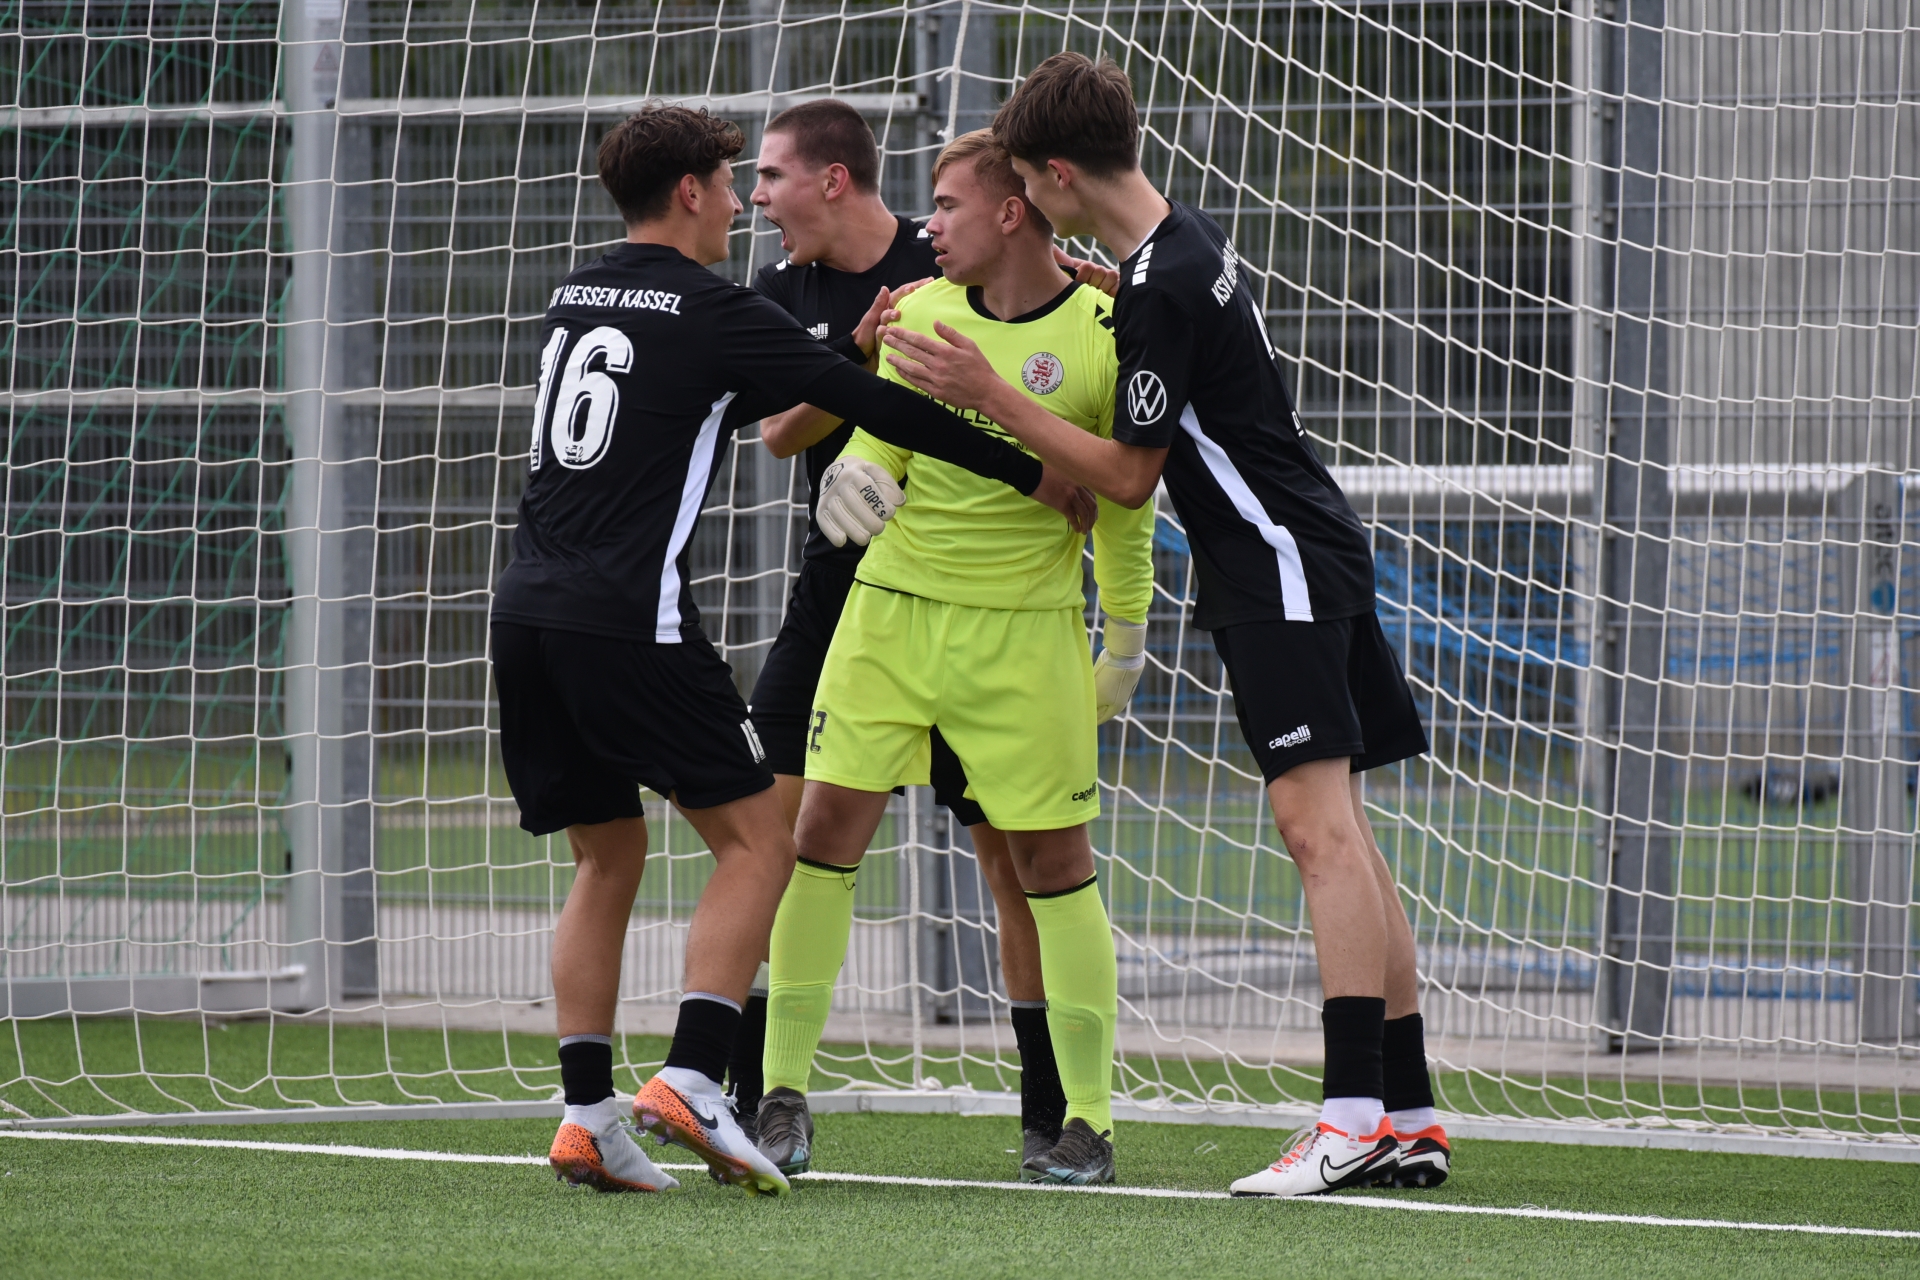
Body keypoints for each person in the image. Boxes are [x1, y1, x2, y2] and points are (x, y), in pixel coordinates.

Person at [491, 101, 1091, 1197]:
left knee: (605, 858)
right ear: (689, 193)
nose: (743, 202)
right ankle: (694, 1077)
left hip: (523, 611)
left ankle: (585, 1117)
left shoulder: (579, 290)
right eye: (732, 182)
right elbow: (878, 410)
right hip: (629, 618)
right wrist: (1034, 473)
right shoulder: (720, 305)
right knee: (763, 841)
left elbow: (741, 395)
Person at [880, 53, 1446, 1196]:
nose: (1018, 200)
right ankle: (1409, 1113)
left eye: (1023, 181)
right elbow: (1172, 342)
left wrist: (990, 394)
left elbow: (1127, 479)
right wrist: (1118, 291)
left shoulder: (1162, 285)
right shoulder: (1176, 245)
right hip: (1303, 548)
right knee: (1345, 828)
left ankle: (1347, 1117)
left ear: (1055, 173)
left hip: (1275, 562)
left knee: (1317, 831)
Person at [755, 129, 1155, 1188]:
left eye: (946, 205)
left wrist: (1123, 635)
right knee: (819, 835)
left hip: (1025, 633)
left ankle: (1085, 1120)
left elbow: (1125, 503)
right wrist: (860, 479)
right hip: (890, 617)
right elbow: (882, 438)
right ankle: (781, 1095)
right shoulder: (920, 314)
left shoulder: (1105, 330)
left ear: (1012, 212)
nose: (928, 225)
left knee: (1051, 868)